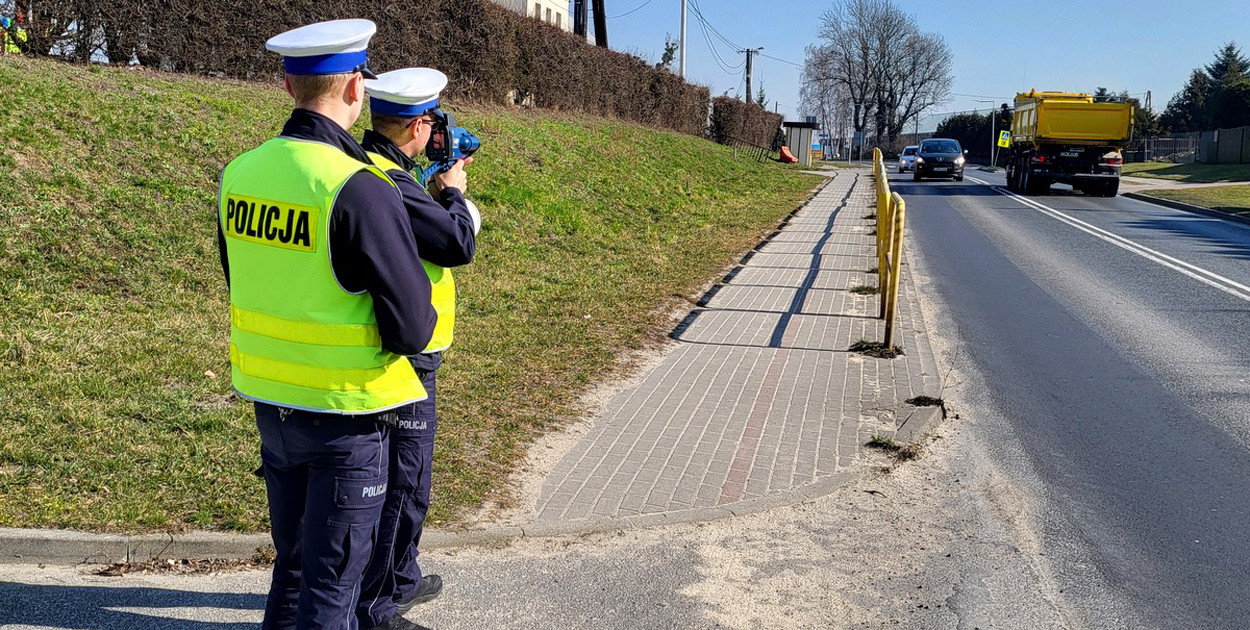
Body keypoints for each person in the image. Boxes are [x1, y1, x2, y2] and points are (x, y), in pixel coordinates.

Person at [216, 19, 437, 630]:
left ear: (289, 86)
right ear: (356, 89)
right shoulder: (358, 187)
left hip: (272, 404)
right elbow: (414, 325)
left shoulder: (241, 173)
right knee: (331, 591)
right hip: (347, 416)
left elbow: (245, 277)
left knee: (291, 571)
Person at [354, 67, 480, 630]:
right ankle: (380, 606)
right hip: (408, 352)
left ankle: (399, 576)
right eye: (432, 121)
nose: (438, 133)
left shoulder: (381, 169)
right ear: (415, 126)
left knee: (411, 477)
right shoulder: (390, 183)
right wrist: (454, 194)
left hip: (413, 344)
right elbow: (455, 242)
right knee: (405, 480)